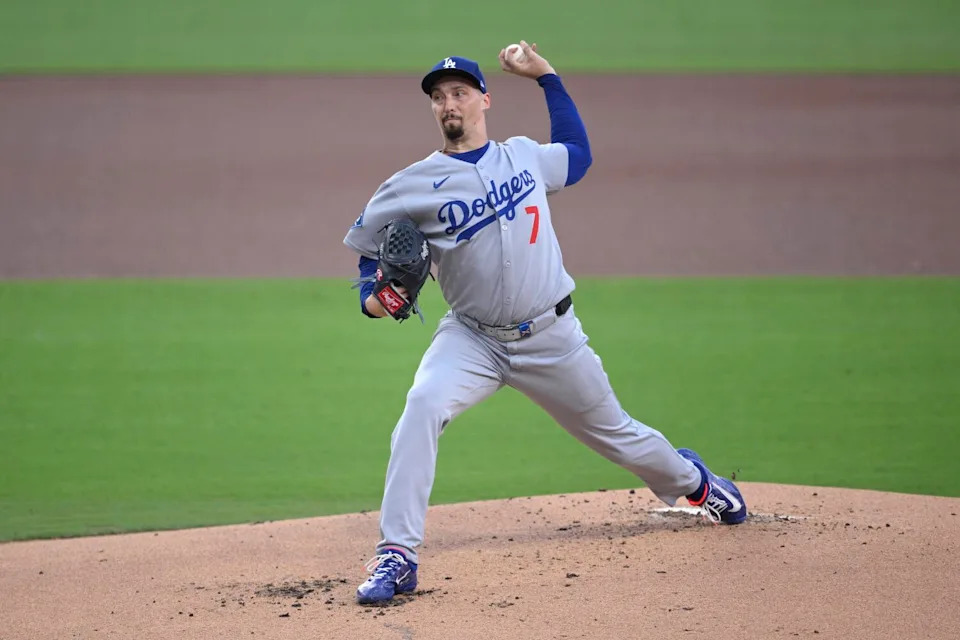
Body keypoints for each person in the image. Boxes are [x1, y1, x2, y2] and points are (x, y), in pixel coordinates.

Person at [342, 41, 747, 605]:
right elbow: (369, 251)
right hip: (472, 338)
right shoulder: (411, 184)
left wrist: (547, 76)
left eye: (459, 92)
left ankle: (694, 483)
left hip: (552, 337)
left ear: (485, 99)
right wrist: (374, 298)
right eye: (438, 97)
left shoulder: (525, 157)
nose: (448, 103)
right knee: (422, 405)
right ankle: (397, 554)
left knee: (618, 435)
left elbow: (578, 155)